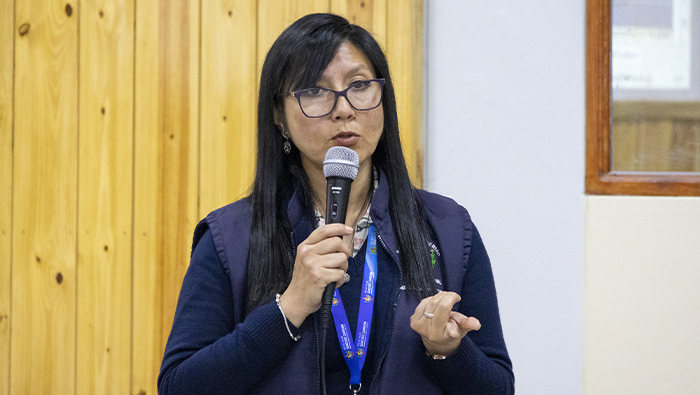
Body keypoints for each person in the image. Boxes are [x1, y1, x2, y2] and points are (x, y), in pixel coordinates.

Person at [158, 13, 513, 395]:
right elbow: (180, 385)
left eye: (359, 85)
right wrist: (288, 309)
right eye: (314, 91)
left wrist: (448, 350)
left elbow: (498, 387)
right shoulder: (230, 237)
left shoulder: (448, 227)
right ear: (279, 116)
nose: (343, 108)